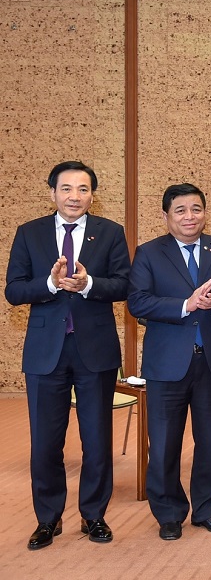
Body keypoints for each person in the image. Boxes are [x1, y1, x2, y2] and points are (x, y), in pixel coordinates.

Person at [5, 161, 131, 550]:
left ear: (93, 195)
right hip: (46, 353)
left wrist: (89, 283)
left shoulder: (110, 232)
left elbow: (124, 285)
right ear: (52, 193)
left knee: (97, 440)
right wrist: (50, 283)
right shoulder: (29, 233)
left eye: (83, 189)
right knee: (45, 442)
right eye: (66, 188)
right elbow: (14, 290)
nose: (74, 196)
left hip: (95, 351)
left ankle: (94, 515)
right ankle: (48, 518)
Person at [127, 183, 211, 541]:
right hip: (167, 364)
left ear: (205, 213)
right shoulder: (149, 253)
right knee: (164, 444)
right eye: (180, 210)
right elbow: (137, 302)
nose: (189, 216)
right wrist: (186, 305)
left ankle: (207, 509)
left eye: (196, 209)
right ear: (166, 215)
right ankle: (169, 513)